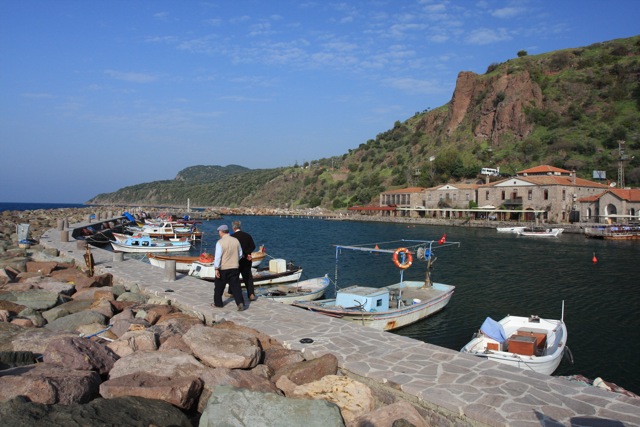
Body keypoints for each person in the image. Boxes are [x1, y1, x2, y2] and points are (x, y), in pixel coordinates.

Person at [211, 224, 246, 311]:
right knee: (236, 286)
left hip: (223, 268)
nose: (219, 233)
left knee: (219, 287)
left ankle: (218, 303)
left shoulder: (220, 242)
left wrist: (216, 268)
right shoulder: (236, 240)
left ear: (221, 232)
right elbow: (240, 254)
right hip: (234, 267)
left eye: (219, 231)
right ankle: (240, 303)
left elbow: (218, 257)